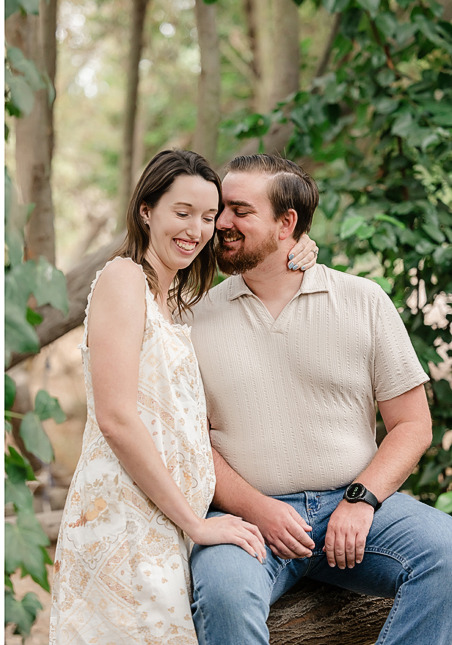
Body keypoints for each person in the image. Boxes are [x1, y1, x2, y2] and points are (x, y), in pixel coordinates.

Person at [48, 150, 317, 644]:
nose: (196, 228)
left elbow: (255, 258)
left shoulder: (178, 303)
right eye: (182, 212)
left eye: (209, 217)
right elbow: (116, 419)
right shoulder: (122, 279)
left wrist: (300, 247)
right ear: (146, 210)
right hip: (124, 515)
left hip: (163, 523)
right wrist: (199, 525)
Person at [187, 154, 452, 645]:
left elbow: (413, 424)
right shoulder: (194, 318)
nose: (221, 222)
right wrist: (258, 509)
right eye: (220, 209)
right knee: (223, 594)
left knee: (448, 555)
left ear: (287, 223)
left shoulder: (364, 300)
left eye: (239, 211)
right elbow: (190, 441)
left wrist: (362, 498)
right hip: (243, 519)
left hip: (353, 506)